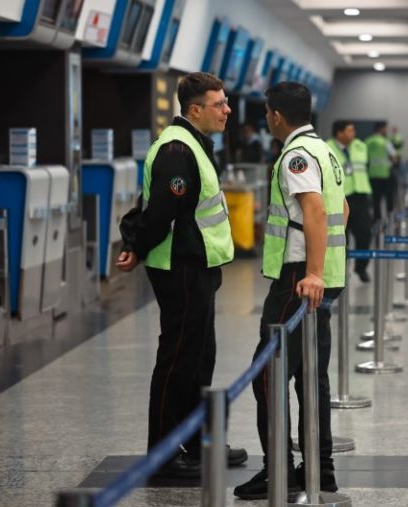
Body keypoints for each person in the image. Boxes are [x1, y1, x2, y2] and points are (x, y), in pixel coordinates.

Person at [115, 72, 247, 477]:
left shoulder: (195, 144)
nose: (227, 110)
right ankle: (164, 454)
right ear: (195, 109)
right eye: (219, 104)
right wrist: (136, 246)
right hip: (182, 267)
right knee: (177, 359)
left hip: (200, 264)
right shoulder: (177, 149)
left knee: (199, 357)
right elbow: (160, 212)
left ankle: (199, 440)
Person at [233, 81, 348, 500]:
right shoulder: (326, 150)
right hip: (324, 276)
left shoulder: (296, 155)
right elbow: (343, 209)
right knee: (311, 376)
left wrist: (312, 272)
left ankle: (279, 469)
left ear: (276, 115)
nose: (266, 119)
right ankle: (322, 466)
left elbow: (315, 211)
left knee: (269, 373)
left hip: (299, 279)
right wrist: (325, 271)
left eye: (267, 113)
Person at [326, 120, 373, 282]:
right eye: (349, 131)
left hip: (360, 196)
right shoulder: (326, 148)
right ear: (339, 133)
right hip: (338, 198)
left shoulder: (361, 146)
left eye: (353, 130)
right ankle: (339, 271)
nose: (353, 134)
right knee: (339, 236)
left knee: (365, 233)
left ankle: (361, 268)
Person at [366, 121, 397, 222]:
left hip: (372, 175)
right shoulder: (385, 142)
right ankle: (390, 219)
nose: (386, 131)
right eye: (385, 129)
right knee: (389, 199)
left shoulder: (367, 141)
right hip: (385, 175)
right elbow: (394, 158)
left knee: (376, 200)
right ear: (381, 129)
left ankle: (377, 220)